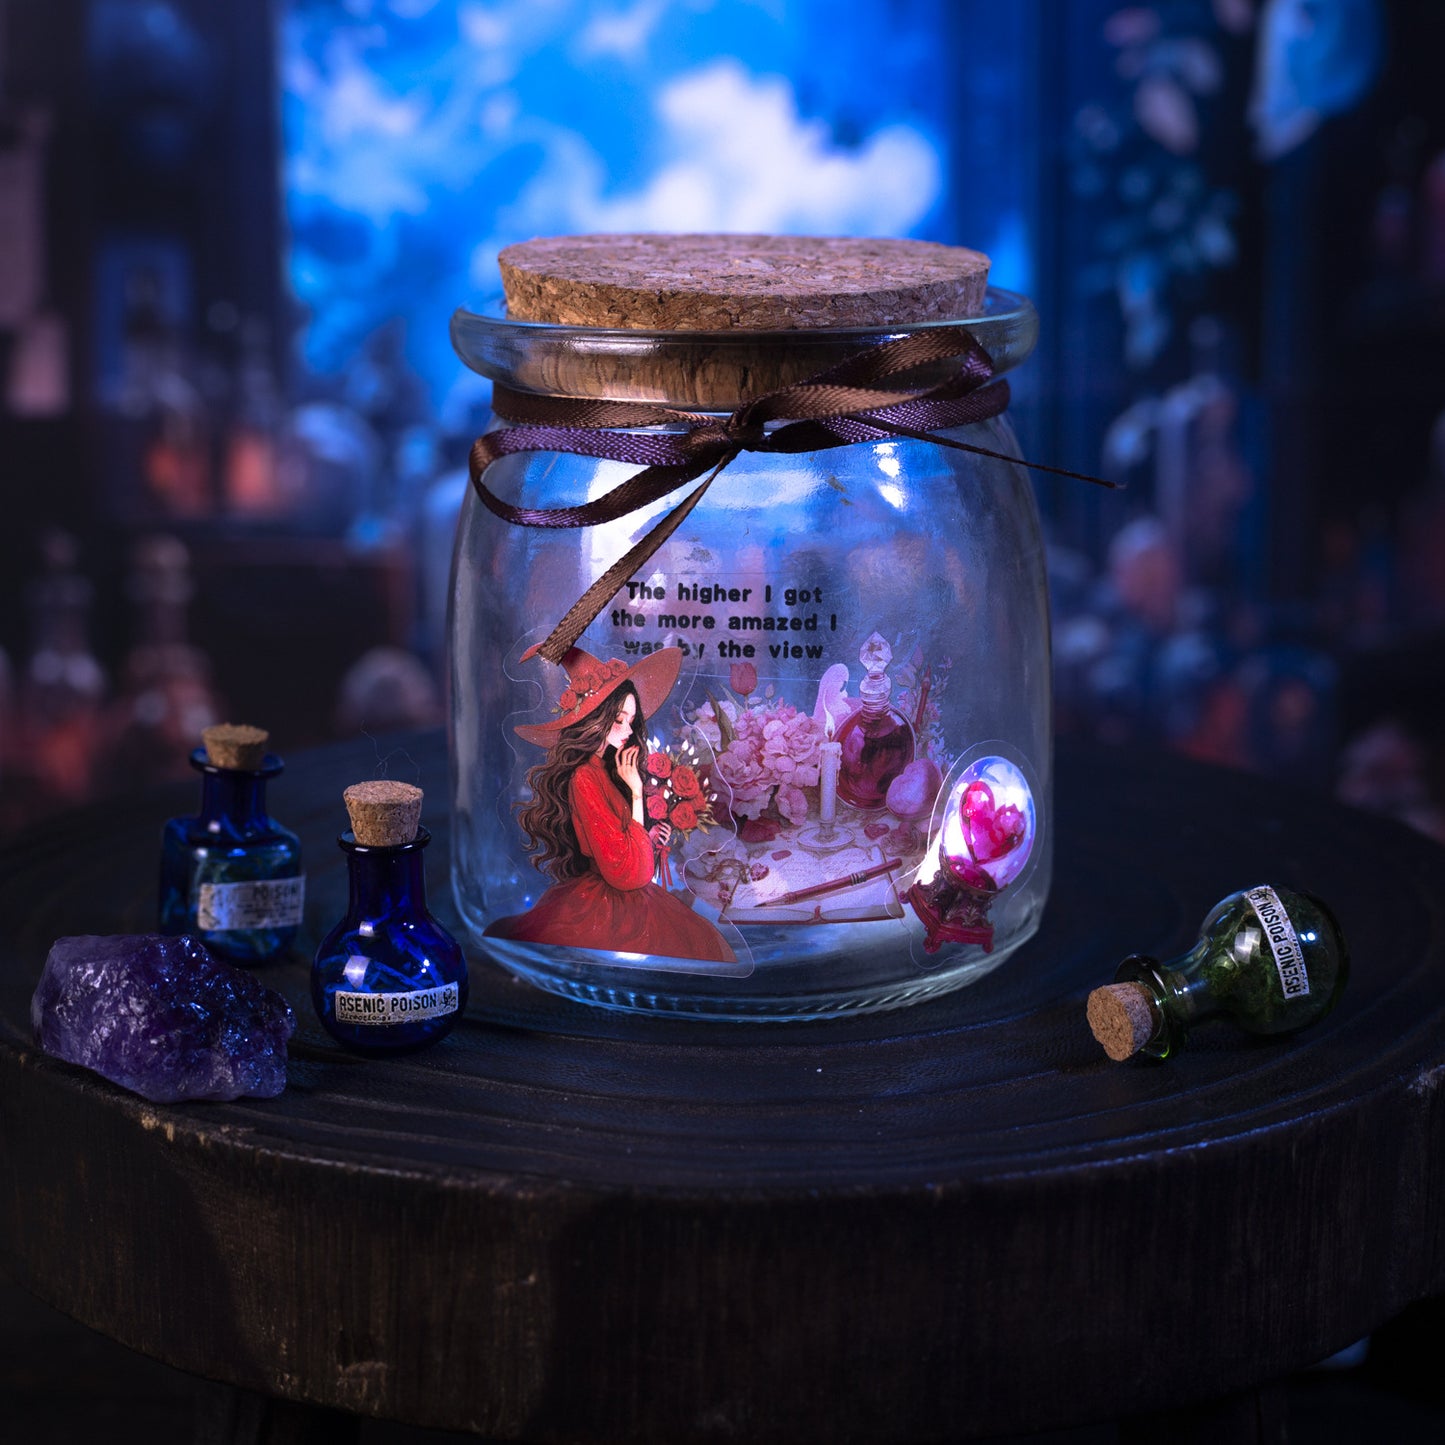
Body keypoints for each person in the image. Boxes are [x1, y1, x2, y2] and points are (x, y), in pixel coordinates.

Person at [485, 645, 735, 963]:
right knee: (688, 942)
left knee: (696, 938)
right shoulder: (584, 778)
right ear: (596, 721)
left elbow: (622, 842)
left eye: (631, 720)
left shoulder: (604, 770)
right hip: (609, 903)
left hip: (623, 892)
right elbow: (629, 874)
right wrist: (635, 792)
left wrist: (647, 835)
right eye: (619, 720)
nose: (629, 730)